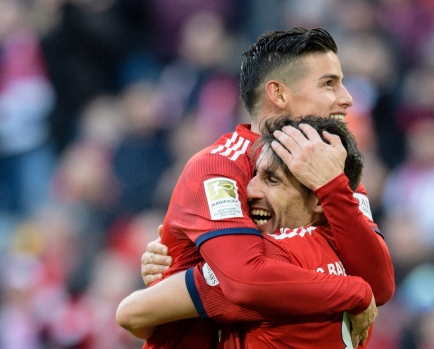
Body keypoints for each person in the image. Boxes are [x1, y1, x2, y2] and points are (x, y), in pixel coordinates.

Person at [135, 28, 394, 348]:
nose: (347, 98)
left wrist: (333, 187)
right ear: (279, 94)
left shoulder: (331, 166)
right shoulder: (217, 168)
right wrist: (354, 292)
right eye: (329, 83)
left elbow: (380, 285)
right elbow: (245, 281)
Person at [118, 115, 382, 348]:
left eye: (272, 180)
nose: (250, 190)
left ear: (318, 199)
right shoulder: (353, 256)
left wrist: (179, 266)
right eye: (255, 175)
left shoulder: (264, 264)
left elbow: (132, 315)